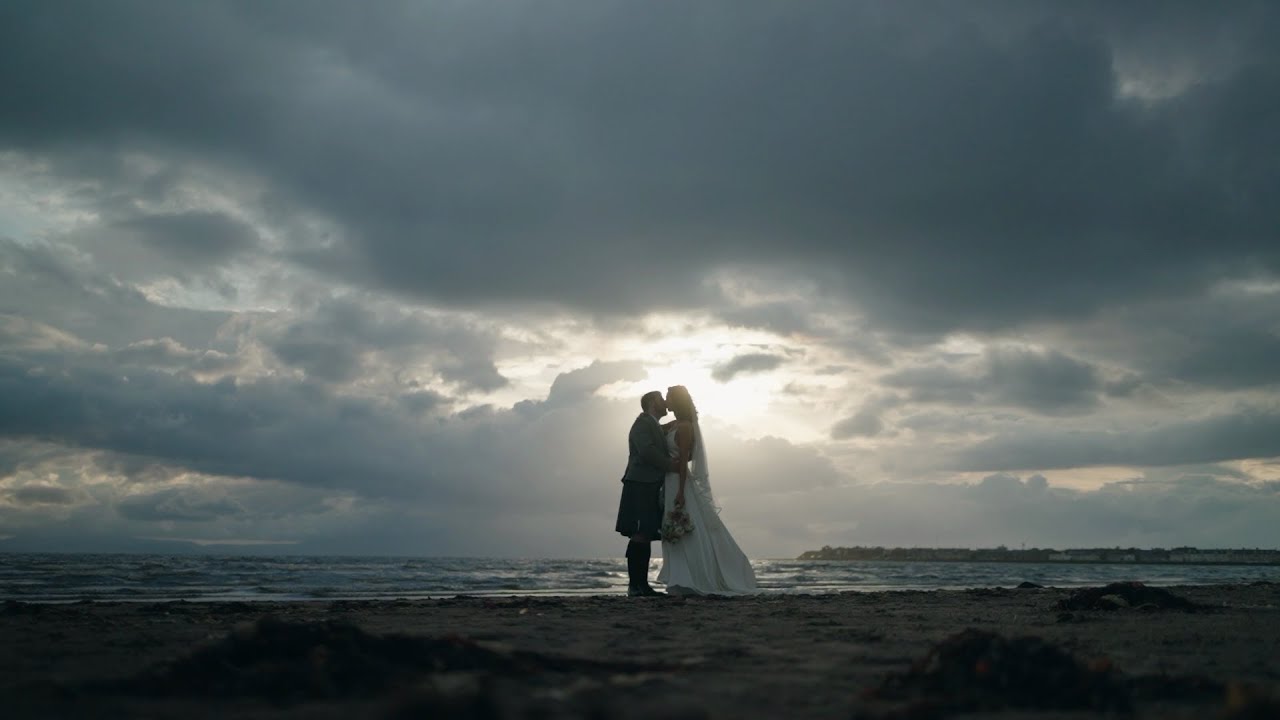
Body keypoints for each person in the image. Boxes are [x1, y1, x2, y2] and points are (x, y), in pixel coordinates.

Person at [657, 385, 758, 595]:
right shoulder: (673, 425)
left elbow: (685, 460)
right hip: (668, 482)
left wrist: (680, 492)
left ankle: (693, 578)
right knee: (673, 529)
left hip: (679, 482)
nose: (666, 400)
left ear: (677, 401)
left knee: (687, 529)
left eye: (669, 397)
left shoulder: (685, 427)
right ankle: (677, 578)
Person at [616, 390, 684, 597]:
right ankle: (636, 586)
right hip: (639, 484)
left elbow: (659, 435)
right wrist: (670, 466)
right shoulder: (642, 424)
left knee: (644, 532)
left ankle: (640, 585)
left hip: (648, 484)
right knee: (640, 533)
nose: (665, 403)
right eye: (662, 399)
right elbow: (646, 451)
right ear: (653, 402)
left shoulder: (651, 424)